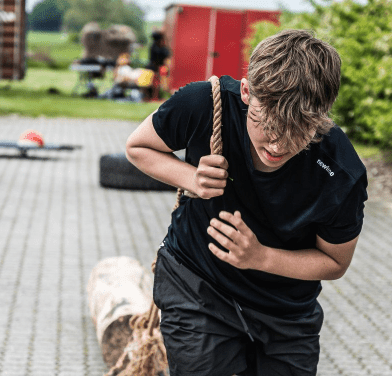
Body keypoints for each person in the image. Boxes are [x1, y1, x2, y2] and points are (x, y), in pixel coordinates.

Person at [125, 29, 368, 376]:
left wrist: (260, 257)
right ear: (246, 91)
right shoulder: (204, 103)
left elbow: (335, 262)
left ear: (322, 117)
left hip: (285, 313)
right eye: (266, 122)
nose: (278, 144)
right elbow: (138, 147)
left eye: (299, 129)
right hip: (198, 285)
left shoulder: (340, 173)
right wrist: (191, 177)